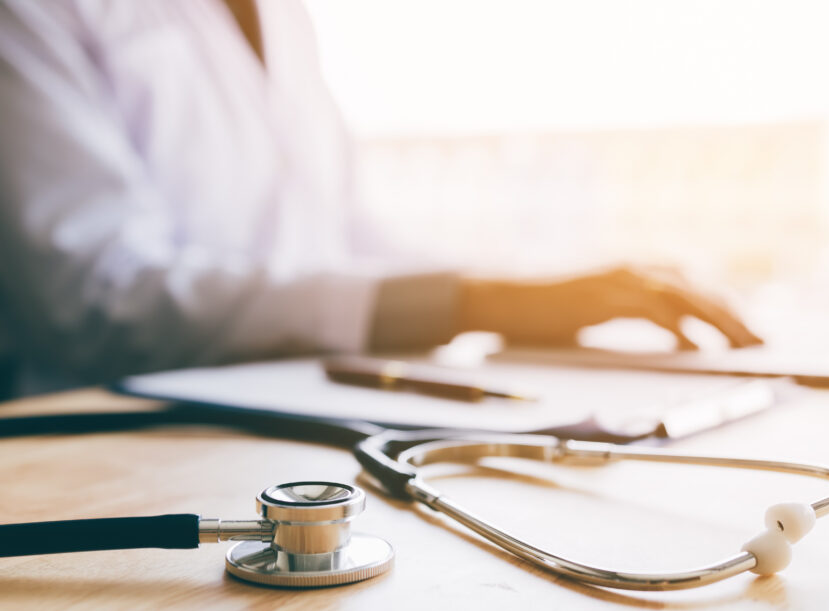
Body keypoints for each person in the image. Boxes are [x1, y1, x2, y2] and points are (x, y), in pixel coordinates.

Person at [0, 0, 760, 398]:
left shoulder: (285, 15)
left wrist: (536, 291)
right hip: (110, 445)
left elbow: (343, 235)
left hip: (292, 413)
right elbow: (97, 300)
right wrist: (475, 302)